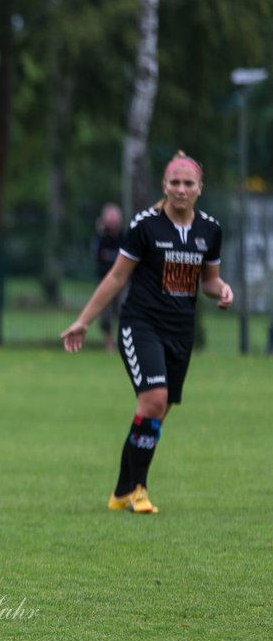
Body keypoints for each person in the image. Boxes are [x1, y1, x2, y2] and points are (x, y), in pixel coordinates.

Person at [61, 152, 232, 513]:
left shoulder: (210, 230)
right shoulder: (145, 226)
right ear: (164, 187)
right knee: (153, 401)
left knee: (155, 415)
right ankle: (138, 489)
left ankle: (122, 490)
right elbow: (117, 277)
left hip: (180, 332)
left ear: (200, 188)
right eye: (175, 183)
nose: (181, 189)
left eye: (188, 183)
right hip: (141, 325)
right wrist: (84, 320)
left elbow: (210, 283)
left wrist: (224, 290)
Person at [91, 203, 125, 352]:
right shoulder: (100, 238)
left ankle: (123, 343)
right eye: (109, 221)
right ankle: (109, 344)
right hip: (104, 281)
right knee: (105, 315)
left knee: (124, 312)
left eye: (114, 221)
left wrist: (110, 256)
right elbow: (98, 255)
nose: (112, 224)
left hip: (123, 282)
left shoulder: (125, 237)